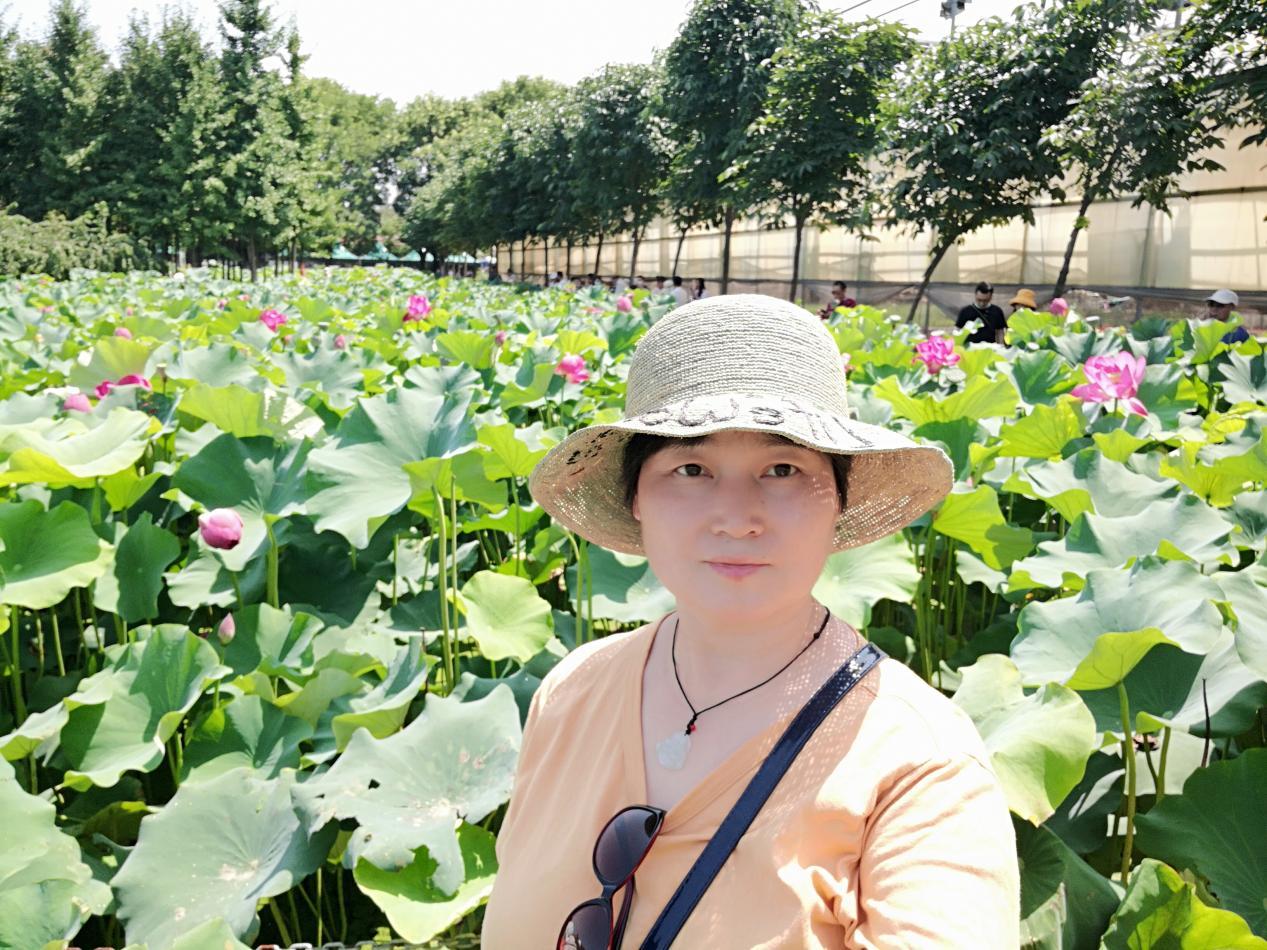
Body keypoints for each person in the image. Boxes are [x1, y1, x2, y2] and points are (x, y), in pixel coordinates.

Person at [482, 295, 1021, 948]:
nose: (737, 518)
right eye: (690, 468)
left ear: (839, 499)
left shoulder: (918, 762)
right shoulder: (571, 691)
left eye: (782, 469)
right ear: (635, 498)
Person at [955, 281, 1007, 345]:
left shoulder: (997, 311)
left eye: (985, 300)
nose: (982, 303)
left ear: (991, 297)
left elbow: (1000, 332)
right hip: (970, 348)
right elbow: (957, 330)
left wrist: (1001, 346)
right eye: (979, 300)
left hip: (990, 348)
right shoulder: (965, 311)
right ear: (975, 295)